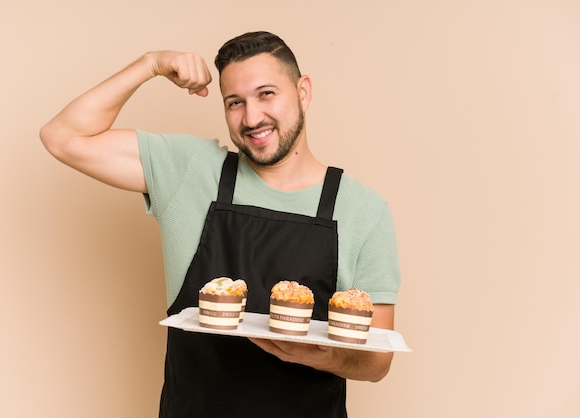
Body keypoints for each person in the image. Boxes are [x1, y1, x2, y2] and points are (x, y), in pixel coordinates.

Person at [40, 31, 401, 418]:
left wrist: (319, 355)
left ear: (303, 92)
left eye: (266, 94)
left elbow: (377, 361)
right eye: (234, 102)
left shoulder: (362, 210)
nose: (251, 118)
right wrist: (150, 64)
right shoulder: (190, 171)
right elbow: (62, 137)